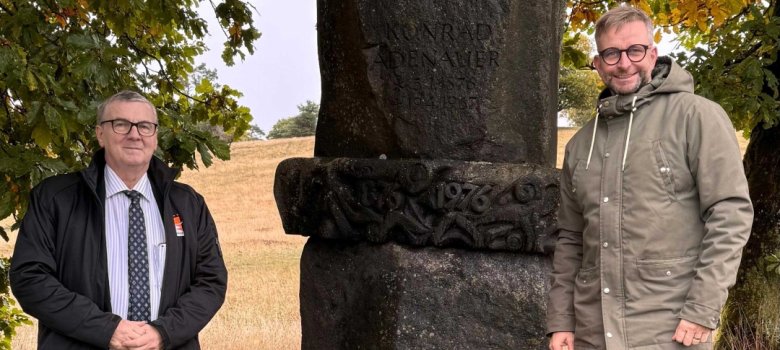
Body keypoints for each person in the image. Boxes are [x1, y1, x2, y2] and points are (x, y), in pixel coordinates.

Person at [547, 5, 753, 350]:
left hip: (670, 329)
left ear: (653, 52)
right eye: (611, 54)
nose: (624, 63)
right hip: (591, 331)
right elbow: (570, 238)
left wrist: (702, 308)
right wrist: (561, 321)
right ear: (598, 63)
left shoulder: (696, 117)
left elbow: (730, 215)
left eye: (635, 50)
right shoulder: (581, 144)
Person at [10, 91, 227, 349]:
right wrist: (107, 330)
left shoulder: (189, 204)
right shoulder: (55, 199)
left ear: (155, 137)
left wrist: (163, 333)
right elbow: (30, 278)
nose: (134, 134)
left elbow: (211, 281)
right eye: (121, 124)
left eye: (145, 126)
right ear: (100, 134)